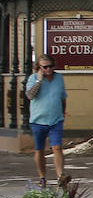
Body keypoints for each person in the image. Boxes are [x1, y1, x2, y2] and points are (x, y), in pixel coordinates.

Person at [25, 55, 67, 186]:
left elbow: (63, 97)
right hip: (38, 120)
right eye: (44, 67)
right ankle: (42, 177)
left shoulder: (59, 78)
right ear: (39, 68)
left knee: (57, 147)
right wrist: (39, 81)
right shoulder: (33, 79)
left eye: (50, 66)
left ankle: (60, 176)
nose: (48, 69)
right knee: (40, 150)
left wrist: (63, 111)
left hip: (56, 119)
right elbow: (30, 96)